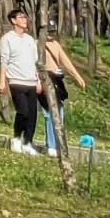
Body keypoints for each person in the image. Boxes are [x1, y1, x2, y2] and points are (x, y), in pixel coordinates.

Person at [0, 9, 45, 155]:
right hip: (16, 81)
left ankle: (27, 142)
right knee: (23, 111)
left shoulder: (30, 40)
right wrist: (2, 81)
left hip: (31, 81)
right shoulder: (7, 39)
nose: (24, 20)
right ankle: (16, 138)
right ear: (13, 20)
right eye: (21, 17)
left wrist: (38, 81)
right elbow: (4, 61)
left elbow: (34, 62)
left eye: (25, 17)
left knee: (32, 115)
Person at [37, 28, 89, 160]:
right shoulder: (36, 44)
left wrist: (78, 77)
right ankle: (51, 145)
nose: (51, 34)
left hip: (55, 81)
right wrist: (37, 80)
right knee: (49, 113)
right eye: (48, 32)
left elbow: (66, 62)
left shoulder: (56, 45)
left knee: (59, 113)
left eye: (52, 32)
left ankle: (57, 144)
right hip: (43, 80)